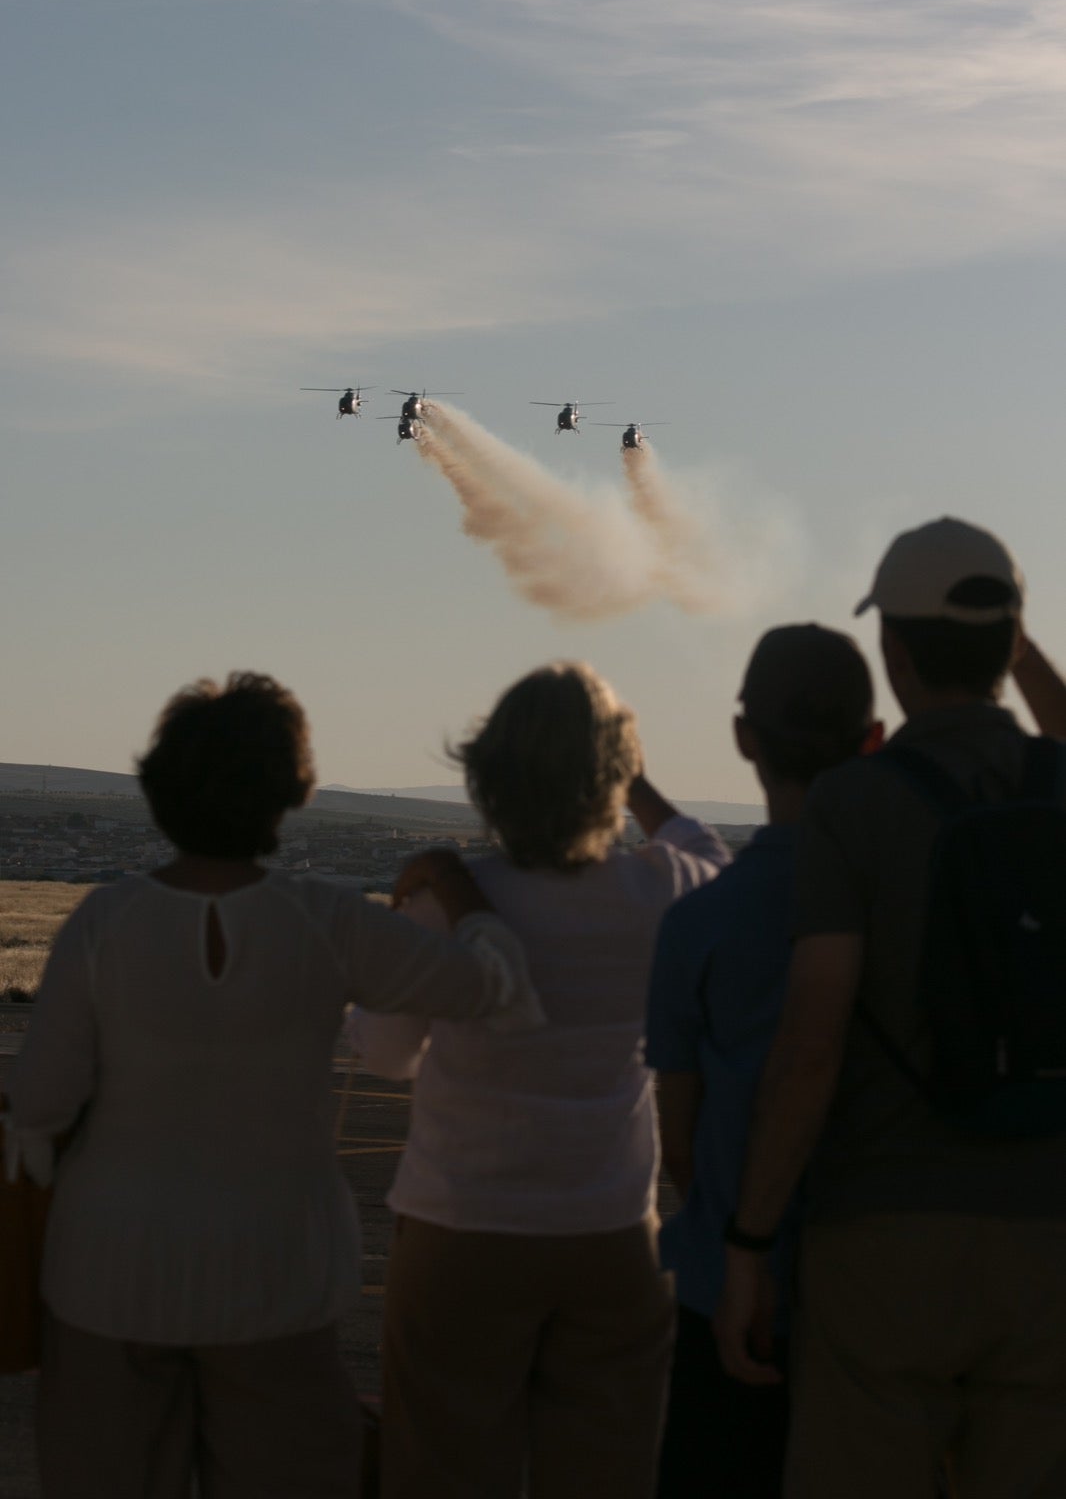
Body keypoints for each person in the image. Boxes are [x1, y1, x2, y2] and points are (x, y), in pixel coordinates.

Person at [9, 673, 542, 1499]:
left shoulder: (103, 924)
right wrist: (457, 884)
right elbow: (496, 989)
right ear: (292, 791)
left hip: (111, 1273)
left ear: (159, 788)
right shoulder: (326, 919)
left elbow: (41, 1103)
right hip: (278, 1275)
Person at [714, 518, 1066, 1499]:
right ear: (1009, 642)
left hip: (884, 1241)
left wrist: (748, 1241)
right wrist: (1011, 636)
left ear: (892, 652)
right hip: (1050, 1239)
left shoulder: (854, 804)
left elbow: (811, 1045)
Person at [350, 660, 730, 1499]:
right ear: (613, 781)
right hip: (610, 1231)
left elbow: (387, 1054)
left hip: (461, 1227)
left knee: (444, 1467)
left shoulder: (451, 899)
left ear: (488, 777)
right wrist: (637, 783)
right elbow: (707, 850)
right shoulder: (656, 889)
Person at [646, 625, 878, 1499]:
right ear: (870, 741)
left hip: (725, 1291)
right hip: (872, 1293)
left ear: (745, 739)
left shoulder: (698, 923)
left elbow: (678, 1145)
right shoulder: (902, 906)